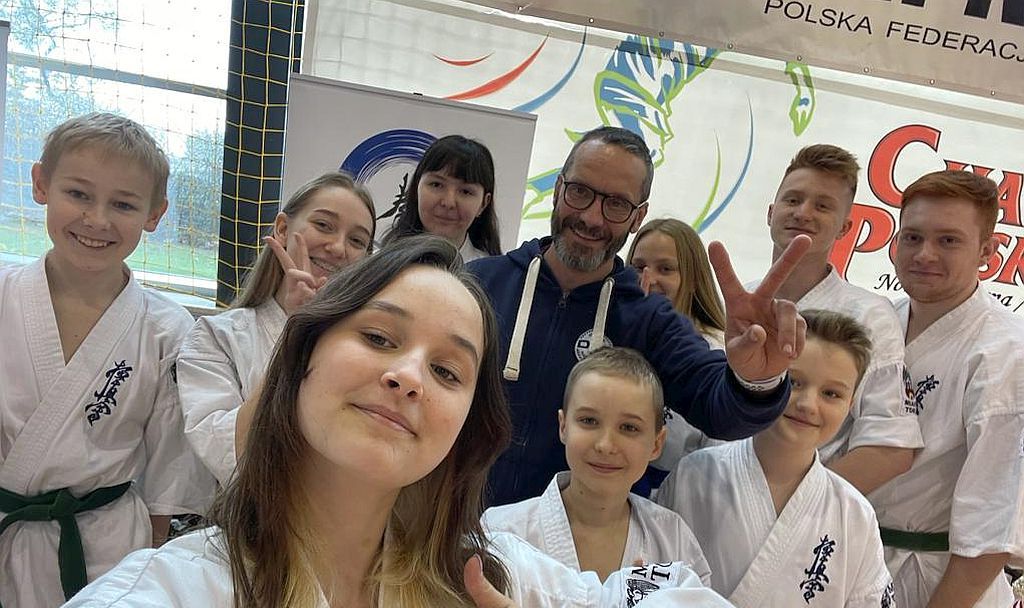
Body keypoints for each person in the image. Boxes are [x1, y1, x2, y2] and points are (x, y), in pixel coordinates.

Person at [64, 235, 732, 608]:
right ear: (301, 357)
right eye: (379, 338)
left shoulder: (489, 574)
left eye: (447, 371)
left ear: (465, 427)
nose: (409, 376)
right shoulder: (173, 591)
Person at [467, 125, 810, 506]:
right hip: (448, 524)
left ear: (638, 216)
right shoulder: (479, 285)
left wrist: (756, 379)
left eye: (616, 204)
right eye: (580, 192)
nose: (592, 218)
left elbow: (719, 408)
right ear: (558, 188)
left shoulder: (648, 321)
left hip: (574, 536)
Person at [0, 112, 214, 607]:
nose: (97, 219)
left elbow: (168, 468)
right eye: (78, 193)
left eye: (123, 204)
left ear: (154, 214)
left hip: (106, 549)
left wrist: (146, 568)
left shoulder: (167, 328)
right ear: (41, 184)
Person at [659, 310, 895, 607]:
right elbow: (655, 586)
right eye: (793, 382)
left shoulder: (855, 514)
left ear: (850, 405)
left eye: (831, 394)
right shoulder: (695, 475)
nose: (808, 404)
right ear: (765, 379)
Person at [870, 170, 1024, 608]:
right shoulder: (878, 323)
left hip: (941, 581)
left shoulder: (1007, 352)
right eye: (913, 237)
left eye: (948, 240)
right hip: (857, 560)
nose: (925, 254)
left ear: (986, 251)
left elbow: (991, 527)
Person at [176, 171, 375, 484]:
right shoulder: (217, 336)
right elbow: (223, 452)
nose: (338, 248)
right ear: (282, 229)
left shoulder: (372, 349)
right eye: (324, 225)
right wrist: (298, 331)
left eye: (357, 241)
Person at [748, 144, 922, 495]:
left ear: (845, 227)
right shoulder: (736, 300)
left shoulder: (869, 315)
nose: (803, 213)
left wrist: (796, 503)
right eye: (793, 200)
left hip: (804, 509)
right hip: (712, 492)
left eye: (823, 206)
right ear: (770, 212)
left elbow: (891, 448)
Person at [482, 347, 710, 583]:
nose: (605, 445)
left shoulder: (675, 542)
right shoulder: (500, 532)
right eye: (589, 421)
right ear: (563, 426)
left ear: (656, 444)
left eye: (629, 427)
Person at [626, 218, 728, 485]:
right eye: (638, 267)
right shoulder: (609, 335)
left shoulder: (715, 353)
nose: (649, 279)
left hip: (679, 494)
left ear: (693, 279)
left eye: (666, 269)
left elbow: (719, 458)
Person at [382, 134, 501, 261]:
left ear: (483, 204)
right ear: (416, 187)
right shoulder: (381, 264)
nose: (448, 202)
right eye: (436, 185)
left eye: (465, 191)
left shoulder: (491, 271)